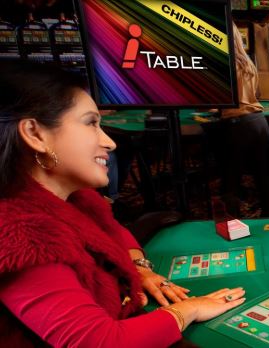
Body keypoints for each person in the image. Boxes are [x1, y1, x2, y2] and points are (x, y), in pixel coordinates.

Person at [0, 61, 245, 346]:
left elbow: (112, 232)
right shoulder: (18, 233)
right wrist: (188, 309)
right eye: (91, 123)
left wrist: (139, 268)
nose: (110, 142)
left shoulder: (77, 198)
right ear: (35, 134)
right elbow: (101, 342)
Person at [215, 24, 269, 217]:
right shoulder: (248, 62)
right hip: (259, 122)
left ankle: (233, 224)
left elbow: (221, 102)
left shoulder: (225, 63)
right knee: (262, 175)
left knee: (231, 181)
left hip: (238, 125)